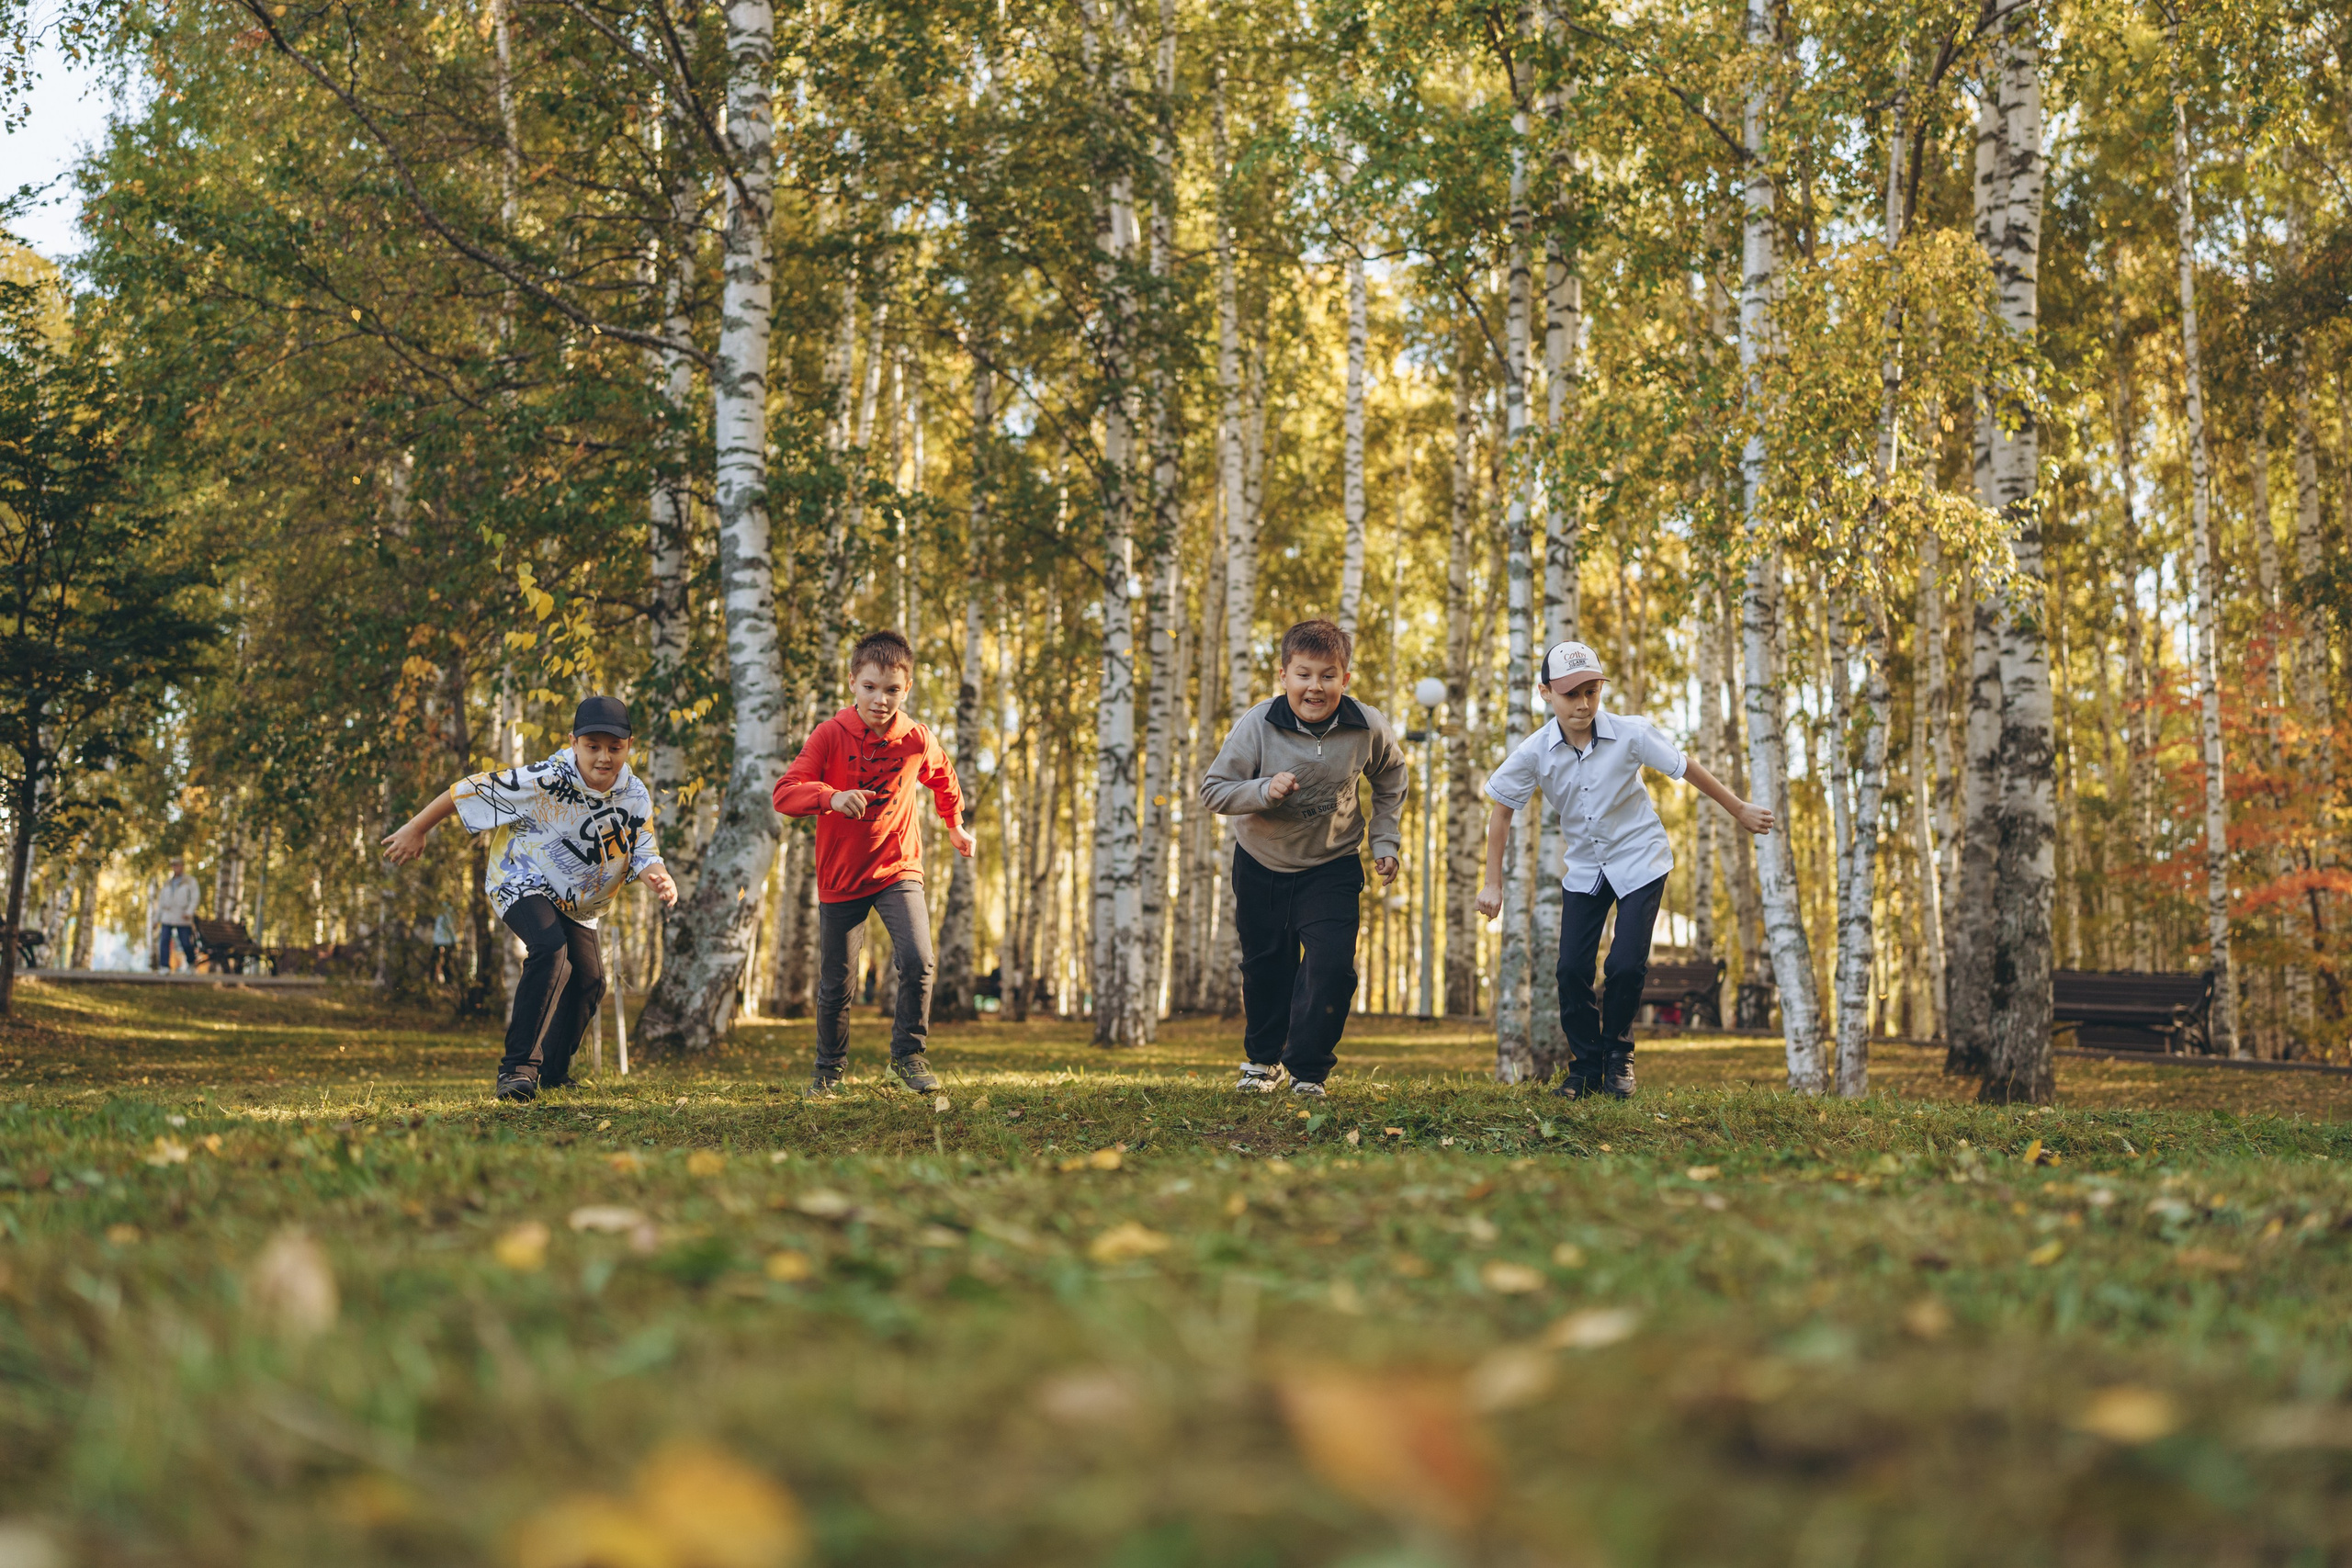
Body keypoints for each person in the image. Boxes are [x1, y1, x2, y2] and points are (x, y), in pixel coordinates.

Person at [1477, 640, 1774, 1099]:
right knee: (1571, 970)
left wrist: (1738, 809)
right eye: (1571, 694)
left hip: (1641, 859)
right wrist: (1492, 882)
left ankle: (1618, 1058)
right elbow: (1501, 811)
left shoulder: (1631, 734)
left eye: (1592, 692)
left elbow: (1686, 768)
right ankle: (1584, 1068)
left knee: (1623, 964)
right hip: (1585, 868)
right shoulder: (1536, 751)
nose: (1583, 704)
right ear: (1545, 693)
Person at [380, 695, 676, 1101]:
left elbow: (643, 849)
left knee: (590, 982)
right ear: (573, 742)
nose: (604, 758)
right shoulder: (544, 779)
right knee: (550, 950)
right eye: (593, 746)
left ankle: (555, 1074)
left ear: (629, 746)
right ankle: (518, 1071)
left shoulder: (635, 795)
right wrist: (417, 828)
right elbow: (470, 790)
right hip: (521, 880)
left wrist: (658, 877)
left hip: (578, 902)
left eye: (615, 747)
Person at [1200, 618, 1408, 1098]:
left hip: (1331, 864)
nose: (1315, 686)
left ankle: (1308, 1071)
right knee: (1266, 965)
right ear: (1284, 676)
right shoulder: (1258, 724)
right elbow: (1213, 791)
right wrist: (1261, 791)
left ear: (1345, 679)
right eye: (1304, 674)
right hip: (1260, 863)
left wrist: (1385, 841)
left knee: (1332, 966)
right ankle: (1262, 1061)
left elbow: (1392, 778)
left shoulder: (1366, 726)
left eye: (1328, 675)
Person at [773, 629, 974, 1097]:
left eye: (892, 690)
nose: (880, 700)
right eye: (870, 687)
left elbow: (943, 776)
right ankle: (828, 1070)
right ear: (852, 683)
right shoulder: (829, 734)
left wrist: (955, 823)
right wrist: (832, 796)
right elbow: (785, 793)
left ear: (907, 690)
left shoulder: (916, 739)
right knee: (837, 982)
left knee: (919, 960)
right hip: (841, 875)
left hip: (897, 867)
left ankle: (908, 1056)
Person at [154, 859, 200, 972]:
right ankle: (164, 966)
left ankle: (190, 963)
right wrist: (156, 919)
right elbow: (161, 903)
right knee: (164, 940)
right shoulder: (167, 883)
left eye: (177, 865)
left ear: (182, 866)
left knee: (185, 942)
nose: (175, 868)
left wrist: (189, 912)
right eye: (173, 866)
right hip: (167, 916)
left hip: (182, 916)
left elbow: (195, 898)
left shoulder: (190, 882)